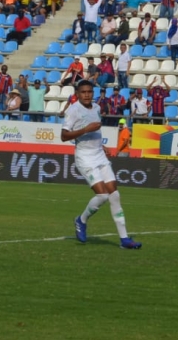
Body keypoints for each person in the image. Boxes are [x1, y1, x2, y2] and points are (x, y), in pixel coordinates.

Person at [62, 80, 141, 250]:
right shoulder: (73, 110)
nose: (87, 94)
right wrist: (86, 130)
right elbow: (64, 135)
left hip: (99, 155)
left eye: (89, 91)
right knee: (103, 195)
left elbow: (95, 130)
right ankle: (81, 220)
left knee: (115, 195)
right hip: (85, 157)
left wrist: (101, 145)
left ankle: (124, 239)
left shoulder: (97, 107)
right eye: (83, 92)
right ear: (77, 93)